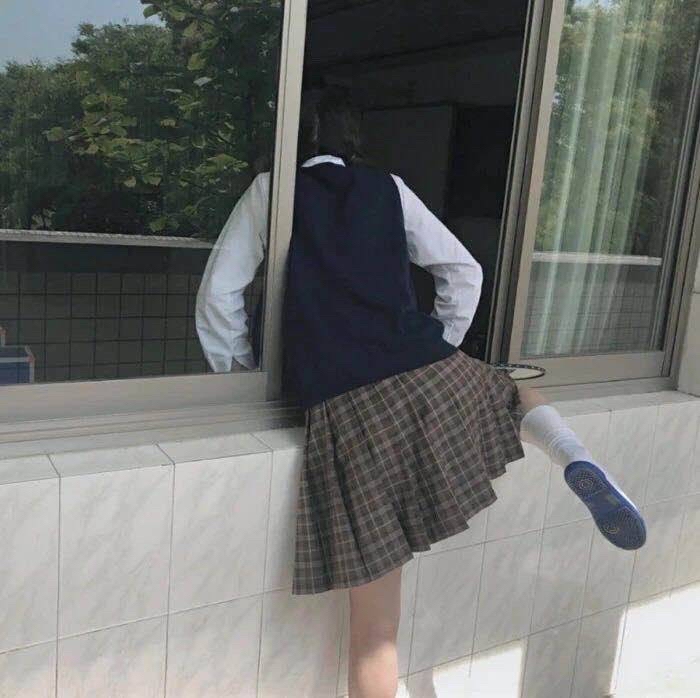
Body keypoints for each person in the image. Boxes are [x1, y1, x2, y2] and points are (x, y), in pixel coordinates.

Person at [196, 86, 646, 698]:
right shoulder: (389, 188)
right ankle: (573, 454)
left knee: (374, 632)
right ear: (352, 139)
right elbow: (464, 271)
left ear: (288, 141)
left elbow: (218, 297)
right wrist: (439, 347)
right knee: (511, 391)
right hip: (429, 369)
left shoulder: (271, 191)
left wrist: (240, 374)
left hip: (348, 410)